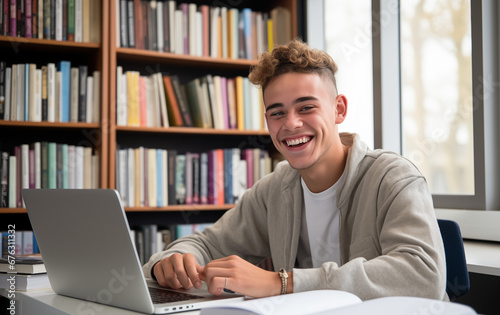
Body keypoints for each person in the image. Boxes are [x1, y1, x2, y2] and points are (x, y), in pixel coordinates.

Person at [143, 39, 448, 301]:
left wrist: (282, 282)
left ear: (339, 109)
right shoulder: (274, 190)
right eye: (277, 113)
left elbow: (423, 276)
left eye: (306, 107)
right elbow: (206, 244)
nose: (291, 124)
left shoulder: (392, 177)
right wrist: (169, 262)